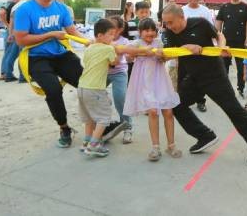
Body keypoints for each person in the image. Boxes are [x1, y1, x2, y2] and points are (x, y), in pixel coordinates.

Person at [161, 4, 247, 167]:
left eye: (170, 22)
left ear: (181, 17)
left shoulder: (200, 23)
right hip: (192, 77)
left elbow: (219, 35)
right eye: (165, 23)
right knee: (176, 105)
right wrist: (187, 47)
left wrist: (222, 46)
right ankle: (205, 136)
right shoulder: (169, 33)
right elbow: (167, 54)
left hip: (214, 76)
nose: (168, 26)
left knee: (234, 111)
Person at [14, 0, 99, 148]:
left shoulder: (61, 8)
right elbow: (21, 40)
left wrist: (87, 41)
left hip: (61, 55)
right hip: (37, 58)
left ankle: (100, 123)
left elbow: (72, 30)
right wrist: (51, 34)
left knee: (87, 84)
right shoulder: (24, 10)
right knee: (53, 90)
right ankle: (64, 127)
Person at [77, 18, 145, 158]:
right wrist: (115, 48)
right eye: (109, 34)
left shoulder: (90, 47)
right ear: (100, 35)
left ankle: (86, 141)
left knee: (90, 118)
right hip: (95, 88)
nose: (112, 37)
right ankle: (94, 145)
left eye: (114, 34)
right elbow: (114, 61)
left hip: (82, 87)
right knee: (103, 118)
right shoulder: (108, 48)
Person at [123, 19, 182, 161]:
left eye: (152, 30)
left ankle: (171, 145)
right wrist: (139, 52)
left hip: (160, 80)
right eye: (146, 30)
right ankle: (155, 147)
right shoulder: (136, 44)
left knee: (168, 111)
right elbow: (127, 56)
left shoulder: (159, 43)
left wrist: (163, 57)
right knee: (153, 112)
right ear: (140, 32)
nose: (150, 33)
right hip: (144, 82)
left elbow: (164, 59)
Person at [215, 0, 247, 97]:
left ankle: (241, 88)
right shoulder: (224, 7)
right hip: (225, 43)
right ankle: (225, 90)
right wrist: (216, 39)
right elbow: (218, 24)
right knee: (224, 67)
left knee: (241, 67)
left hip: (241, 42)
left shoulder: (245, 7)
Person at [182, 0, 215, 113]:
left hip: (203, 49)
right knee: (186, 76)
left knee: (202, 76)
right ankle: (185, 100)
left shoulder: (205, 10)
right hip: (186, 49)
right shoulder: (182, 10)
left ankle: (201, 101)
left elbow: (211, 29)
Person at [105, 16, 134, 144]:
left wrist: (129, 55)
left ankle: (127, 127)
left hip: (119, 73)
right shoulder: (102, 39)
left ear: (120, 29)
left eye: (112, 28)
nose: (109, 30)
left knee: (120, 98)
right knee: (95, 96)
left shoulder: (125, 41)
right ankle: (104, 127)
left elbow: (129, 57)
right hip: (102, 72)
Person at [0, 0, 31, 82]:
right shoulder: (27, 4)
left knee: (11, 55)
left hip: (14, 33)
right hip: (23, 33)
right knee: (23, 55)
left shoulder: (15, 6)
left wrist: (10, 33)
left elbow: (12, 21)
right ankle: (23, 76)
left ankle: (8, 74)